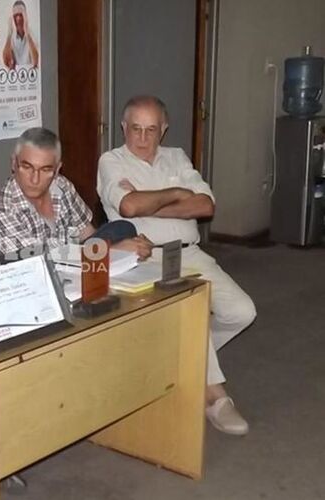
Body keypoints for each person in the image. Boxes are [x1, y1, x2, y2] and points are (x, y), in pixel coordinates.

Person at [97, 95, 256, 435]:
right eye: (135, 129)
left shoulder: (177, 156)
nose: (141, 138)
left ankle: (185, 360)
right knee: (193, 314)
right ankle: (215, 397)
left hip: (191, 254)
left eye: (151, 130)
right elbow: (128, 207)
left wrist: (150, 201)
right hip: (145, 259)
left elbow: (205, 207)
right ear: (124, 127)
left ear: (164, 129)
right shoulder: (111, 161)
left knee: (243, 311)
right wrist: (177, 194)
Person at [0, 127, 153, 261]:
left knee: (123, 229)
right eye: (27, 167)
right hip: (22, 288)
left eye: (45, 169)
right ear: (13, 164)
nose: (34, 178)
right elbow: (38, 269)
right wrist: (113, 252)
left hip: (70, 274)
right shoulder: (0, 208)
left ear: (56, 170)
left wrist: (125, 248)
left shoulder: (61, 186)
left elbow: (89, 236)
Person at [1, 0, 39, 69]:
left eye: (21, 15)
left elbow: (35, 62)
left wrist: (27, 33)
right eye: (15, 15)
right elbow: (8, 63)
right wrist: (9, 34)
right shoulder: (11, 38)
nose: (18, 19)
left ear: (25, 16)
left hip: (31, 75)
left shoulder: (33, 34)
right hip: (17, 76)